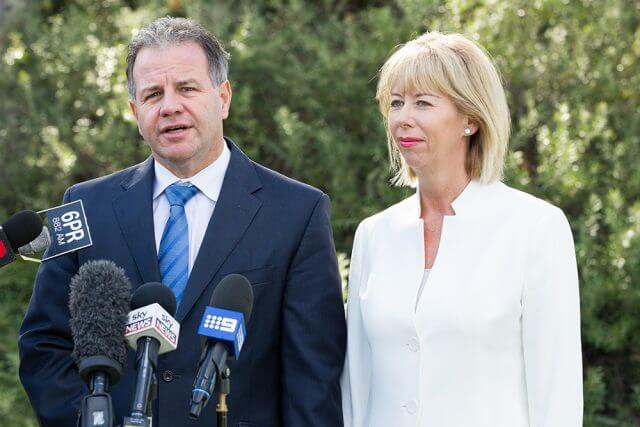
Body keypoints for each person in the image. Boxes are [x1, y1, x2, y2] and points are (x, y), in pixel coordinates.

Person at [19, 17, 346, 427]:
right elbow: (43, 346)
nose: (170, 106)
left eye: (187, 88)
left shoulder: (298, 212)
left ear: (223, 97)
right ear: (135, 111)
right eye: (153, 94)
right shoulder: (85, 206)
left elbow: (312, 380)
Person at [341, 31, 582, 426]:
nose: (404, 118)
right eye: (397, 103)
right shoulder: (374, 235)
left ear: (470, 119)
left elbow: (556, 393)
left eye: (423, 102)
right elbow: (356, 387)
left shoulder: (536, 227)